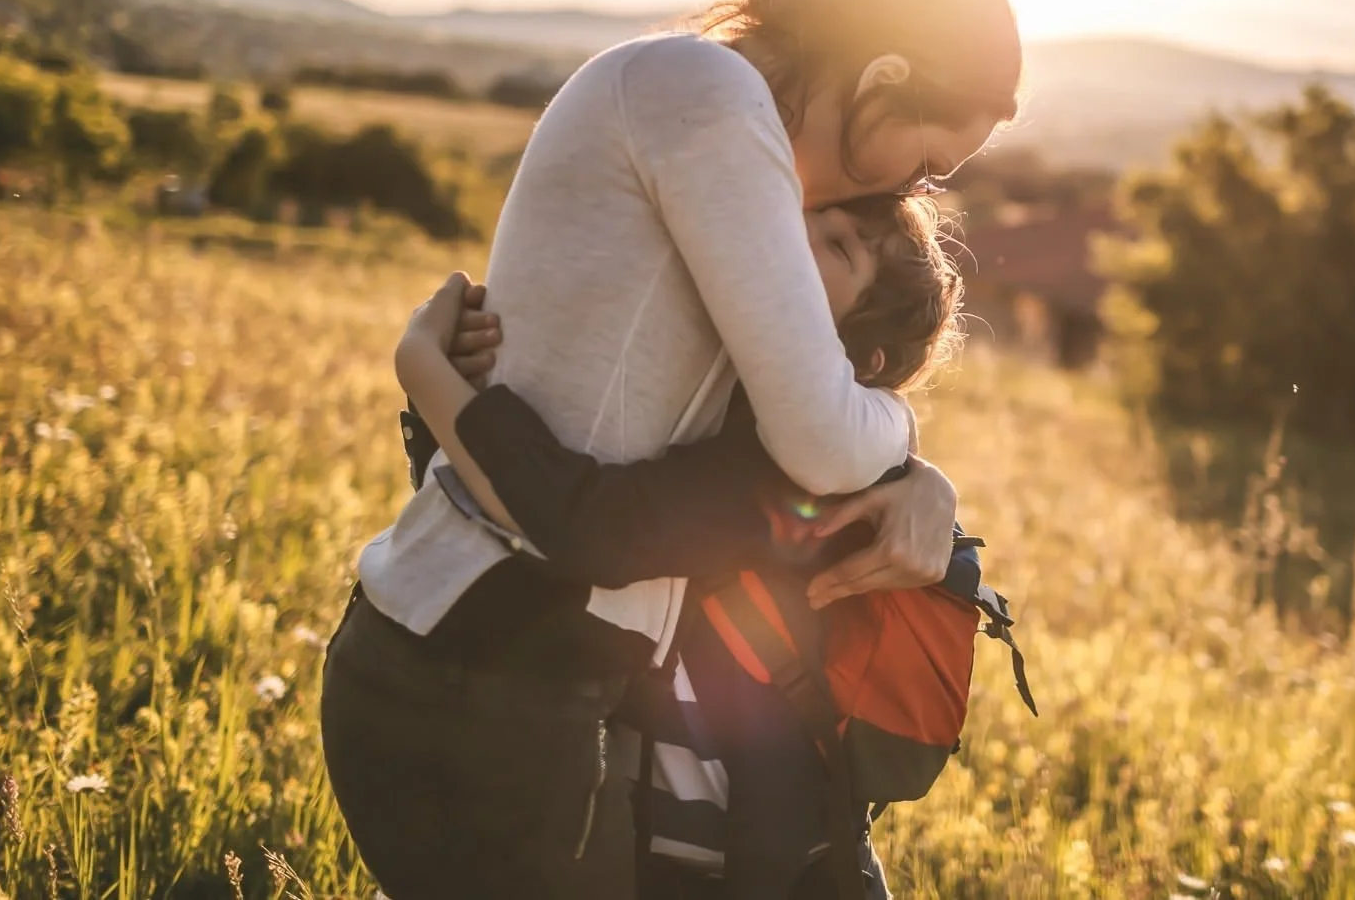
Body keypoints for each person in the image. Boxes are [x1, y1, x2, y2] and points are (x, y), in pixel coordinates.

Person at [319, 0, 1023, 898]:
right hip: (476, 675)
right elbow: (798, 447)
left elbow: (744, 434)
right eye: (929, 159)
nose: (911, 189)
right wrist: (896, 441)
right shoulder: (702, 91)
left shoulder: (726, 162)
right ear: (883, 77)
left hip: (513, 673)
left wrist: (919, 480)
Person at [392, 192, 965, 898]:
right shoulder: (703, 388)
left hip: (759, 864)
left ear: (862, 356)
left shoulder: (791, 465)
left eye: (838, 247)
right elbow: (503, 516)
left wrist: (426, 370)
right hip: (653, 831)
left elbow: (590, 527)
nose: (794, 238)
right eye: (806, 217)